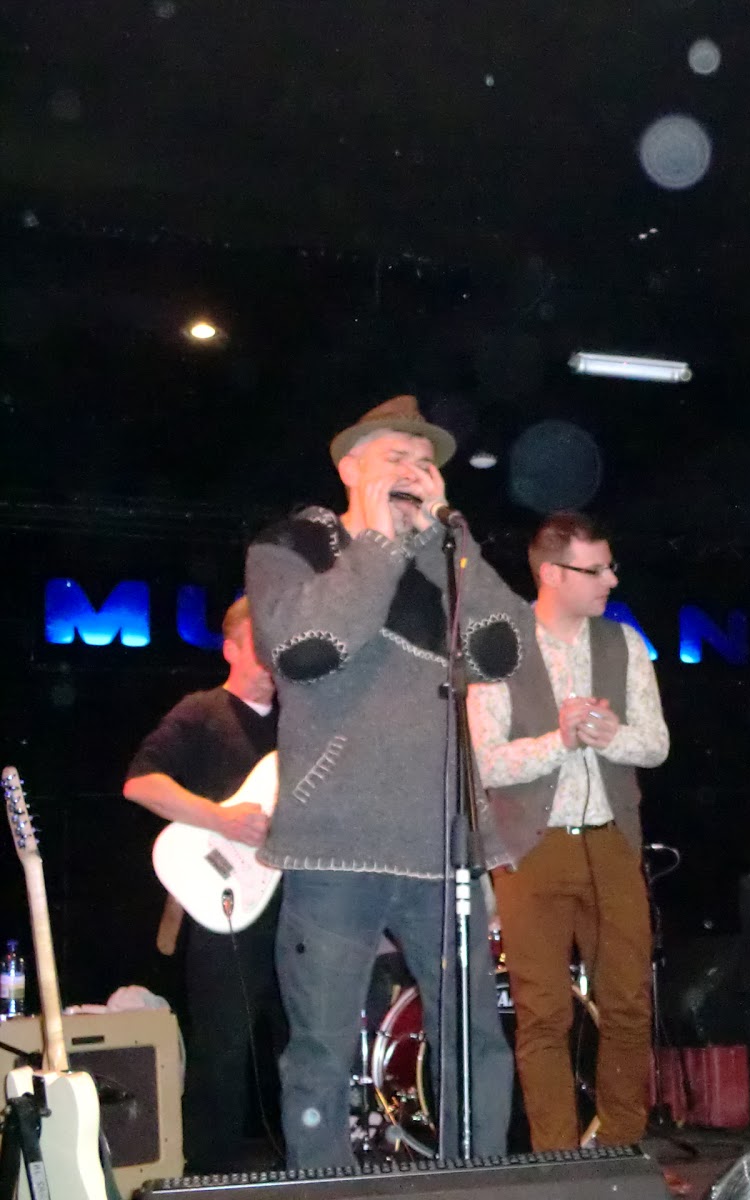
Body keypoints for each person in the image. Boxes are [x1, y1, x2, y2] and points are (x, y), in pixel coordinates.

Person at [244, 394, 521, 1166]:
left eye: (425, 461)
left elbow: (502, 651)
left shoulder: (444, 555)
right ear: (348, 468)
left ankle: (480, 1187)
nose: (415, 471)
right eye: (395, 457)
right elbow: (305, 646)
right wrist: (373, 541)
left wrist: (446, 545)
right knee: (322, 1052)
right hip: (336, 840)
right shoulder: (295, 543)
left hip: (444, 841)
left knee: (477, 1046)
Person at [467, 512, 669, 1151]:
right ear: (551, 573)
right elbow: (485, 761)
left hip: (612, 840)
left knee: (630, 1005)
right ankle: (558, 1163)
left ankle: (621, 1152)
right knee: (543, 1014)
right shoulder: (500, 645)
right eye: (596, 569)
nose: (611, 578)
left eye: (609, 565)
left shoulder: (624, 643)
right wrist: (561, 739)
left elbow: (658, 745)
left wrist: (614, 736)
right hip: (532, 847)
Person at [125, 596, 285, 1174]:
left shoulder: (304, 721)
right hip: (224, 908)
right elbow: (141, 784)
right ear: (231, 649)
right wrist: (218, 818)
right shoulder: (201, 711)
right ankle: (211, 1178)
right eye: (260, 644)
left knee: (304, 1047)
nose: (273, 656)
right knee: (222, 1054)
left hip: (298, 908)